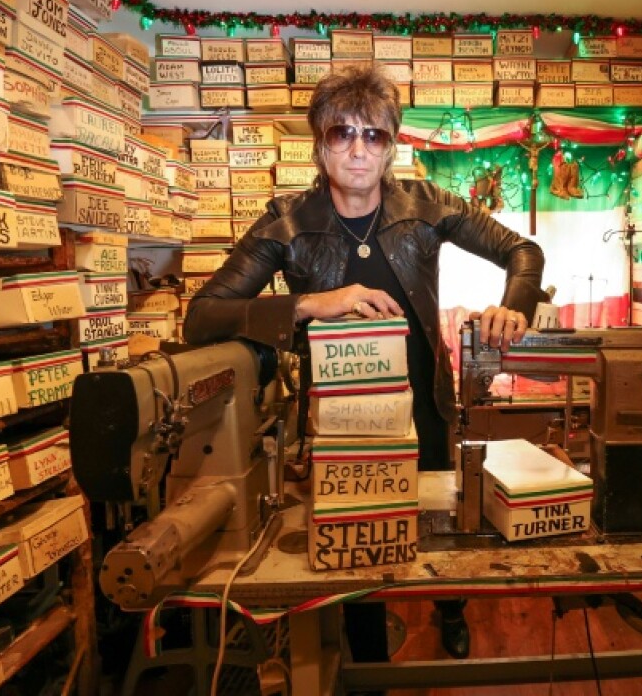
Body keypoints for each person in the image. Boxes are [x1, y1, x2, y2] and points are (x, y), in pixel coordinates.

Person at [183, 64, 549, 663]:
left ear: (393, 144)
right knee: (358, 546)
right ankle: (369, 666)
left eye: (373, 135)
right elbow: (202, 316)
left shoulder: (429, 205)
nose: (358, 149)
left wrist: (514, 308)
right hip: (339, 423)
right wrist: (309, 303)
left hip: (424, 408)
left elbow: (522, 250)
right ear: (320, 143)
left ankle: (449, 610)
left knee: (440, 523)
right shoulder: (288, 221)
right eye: (341, 133)